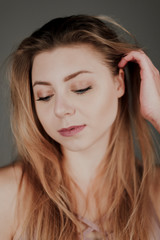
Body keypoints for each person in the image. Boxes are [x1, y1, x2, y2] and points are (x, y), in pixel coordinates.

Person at [0, 14, 160, 240]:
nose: (60, 109)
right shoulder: (7, 195)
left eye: (81, 88)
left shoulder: (154, 191)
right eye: (44, 96)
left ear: (118, 83)